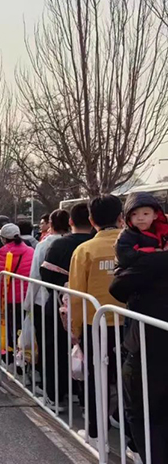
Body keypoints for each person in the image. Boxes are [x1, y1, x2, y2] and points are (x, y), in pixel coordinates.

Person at [109, 193, 168, 463]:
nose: (141, 218)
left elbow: (118, 286)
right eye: (136, 214)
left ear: (156, 214)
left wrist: (151, 261)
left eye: (146, 213)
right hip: (147, 336)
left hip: (145, 340)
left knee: (143, 408)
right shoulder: (130, 240)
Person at [69, 195, 125, 444]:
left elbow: (76, 295)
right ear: (121, 217)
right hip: (133, 324)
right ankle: (131, 435)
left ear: (91, 220)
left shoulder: (85, 251)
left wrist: (75, 329)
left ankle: (95, 433)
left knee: (96, 378)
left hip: (96, 324)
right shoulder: (134, 246)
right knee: (130, 379)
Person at [39, 202, 94, 409]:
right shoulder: (97, 244)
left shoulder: (58, 245)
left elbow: (45, 276)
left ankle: (55, 396)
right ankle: (83, 397)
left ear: (71, 221)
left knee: (56, 350)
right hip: (93, 310)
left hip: (59, 307)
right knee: (89, 354)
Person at [23, 209, 70, 407]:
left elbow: (35, 275)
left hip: (45, 302)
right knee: (68, 347)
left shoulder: (45, 244)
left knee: (49, 347)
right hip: (73, 303)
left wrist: (27, 303)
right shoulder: (76, 242)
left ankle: (52, 391)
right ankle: (71, 389)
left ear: (51, 223)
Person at [0, 223, 34, 354]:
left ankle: (12, 352)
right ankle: (23, 353)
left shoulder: (3, 253)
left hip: (9, 297)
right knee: (24, 326)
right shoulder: (30, 251)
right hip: (26, 296)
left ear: (4, 239)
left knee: (11, 326)